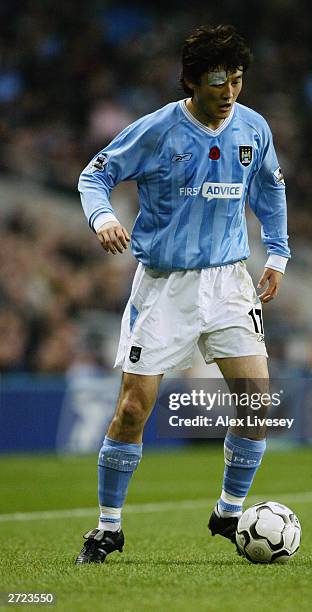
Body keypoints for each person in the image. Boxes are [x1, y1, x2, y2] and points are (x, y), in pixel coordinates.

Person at [75, 24, 290, 564]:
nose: (230, 92)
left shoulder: (252, 128)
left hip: (228, 282)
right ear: (192, 80)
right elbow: (94, 176)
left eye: (238, 81)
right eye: (219, 81)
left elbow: (270, 190)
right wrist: (102, 218)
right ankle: (108, 528)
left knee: (255, 401)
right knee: (132, 408)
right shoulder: (156, 130)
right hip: (166, 287)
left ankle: (228, 510)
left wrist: (279, 254)